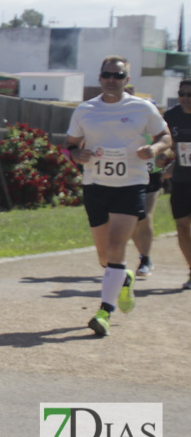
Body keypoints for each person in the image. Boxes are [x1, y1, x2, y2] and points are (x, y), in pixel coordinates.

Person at [64, 56, 170, 336]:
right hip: (96, 186)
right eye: (108, 74)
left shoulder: (142, 108)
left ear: (127, 80)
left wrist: (155, 150)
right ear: (99, 78)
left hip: (131, 185)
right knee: (105, 257)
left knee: (115, 245)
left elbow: (165, 137)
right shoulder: (85, 110)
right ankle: (124, 278)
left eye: (119, 75)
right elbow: (70, 146)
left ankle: (104, 313)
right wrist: (77, 155)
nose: (113, 79)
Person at [162, 78, 191, 290]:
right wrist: (165, 158)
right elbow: (162, 141)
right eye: (183, 94)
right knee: (182, 226)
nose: (186, 98)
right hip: (181, 180)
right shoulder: (171, 116)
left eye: (190, 95)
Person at [130, 127, 163, 278]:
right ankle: (143, 256)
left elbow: (168, 145)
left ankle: (146, 259)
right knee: (136, 218)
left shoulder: (156, 127)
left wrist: (163, 155)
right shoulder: (126, 125)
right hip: (132, 176)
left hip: (152, 175)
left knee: (146, 215)